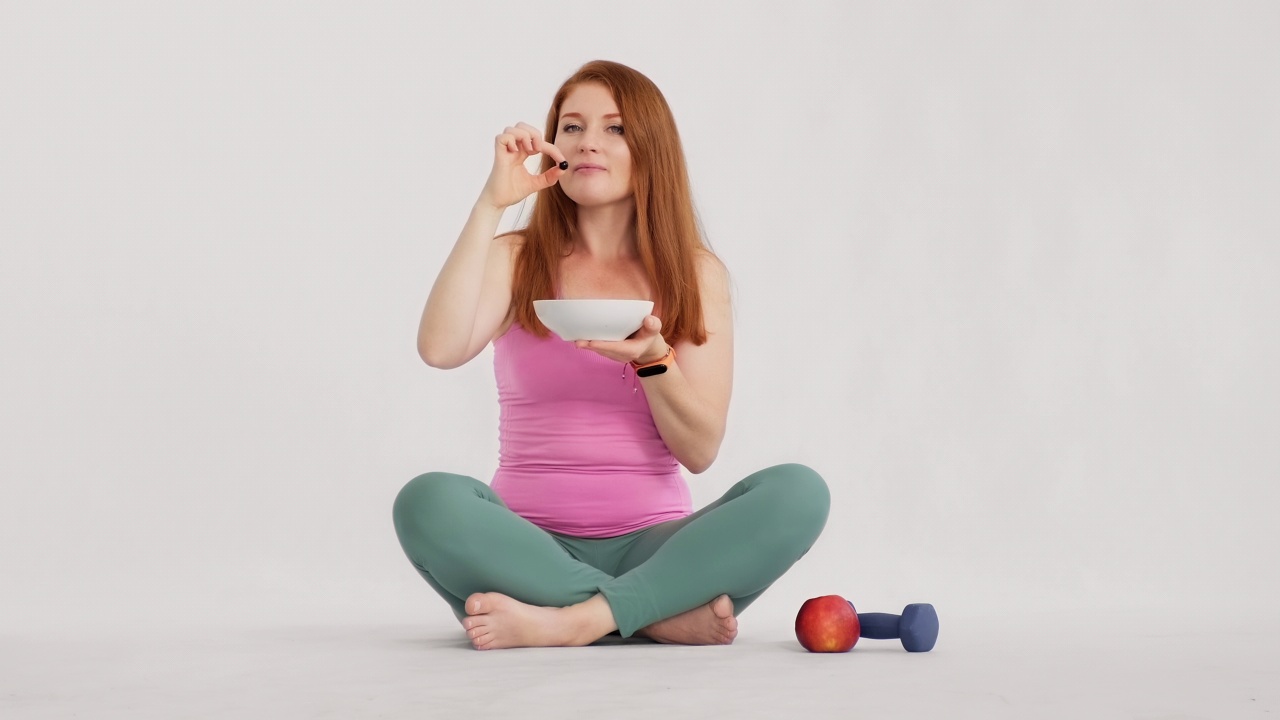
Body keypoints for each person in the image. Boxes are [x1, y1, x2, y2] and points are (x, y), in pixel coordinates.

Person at [392, 60, 830, 650]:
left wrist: (654, 359)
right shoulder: (515, 257)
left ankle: (570, 621)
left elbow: (699, 451)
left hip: (658, 549)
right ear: (552, 149)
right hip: (526, 547)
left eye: (614, 128)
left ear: (650, 149)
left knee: (799, 491)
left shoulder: (695, 275)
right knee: (427, 501)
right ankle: (648, 616)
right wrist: (491, 205)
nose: (587, 142)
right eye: (571, 127)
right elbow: (439, 349)